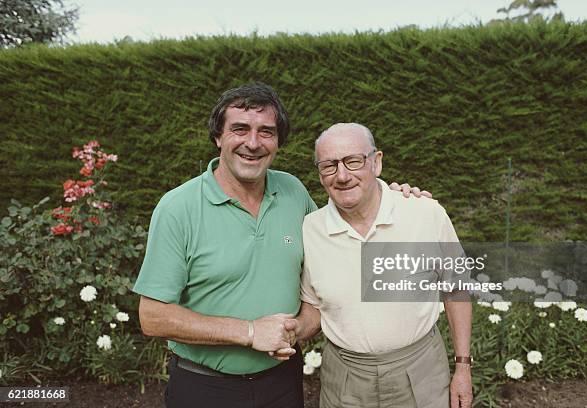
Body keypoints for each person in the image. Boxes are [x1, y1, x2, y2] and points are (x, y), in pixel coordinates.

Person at [132, 84, 428, 408]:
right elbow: (153, 316)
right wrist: (248, 332)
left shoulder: (293, 191)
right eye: (240, 129)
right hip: (205, 389)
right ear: (218, 137)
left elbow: (336, 258)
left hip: (283, 383)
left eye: (266, 132)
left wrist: (394, 200)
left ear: (278, 142)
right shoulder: (178, 208)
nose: (253, 143)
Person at [288, 123, 473, 408]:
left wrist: (463, 367)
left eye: (353, 161)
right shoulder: (311, 229)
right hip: (345, 379)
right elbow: (313, 305)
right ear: (320, 174)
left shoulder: (425, 213)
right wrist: (292, 330)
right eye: (329, 165)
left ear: (376, 162)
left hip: (420, 372)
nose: (342, 175)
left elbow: (457, 290)